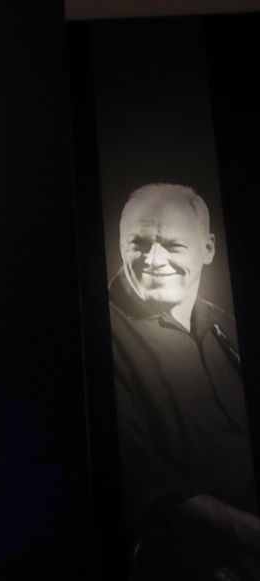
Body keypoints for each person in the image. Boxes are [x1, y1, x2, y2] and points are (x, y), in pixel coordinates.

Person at [109, 183, 259, 580]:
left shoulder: (227, 325)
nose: (152, 259)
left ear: (208, 249)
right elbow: (145, 485)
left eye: (173, 246)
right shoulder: (102, 334)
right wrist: (250, 534)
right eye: (138, 243)